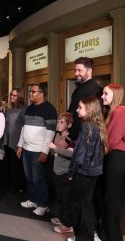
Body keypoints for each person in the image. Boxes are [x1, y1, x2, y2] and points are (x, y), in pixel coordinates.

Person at [68, 97, 107, 241]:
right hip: (94, 172)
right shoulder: (98, 125)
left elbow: (80, 153)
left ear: (89, 109)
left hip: (83, 171)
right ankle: (87, 236)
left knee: (77, 204)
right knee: (86, 204)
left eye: (80, 107)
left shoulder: (86, 126)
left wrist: (71, 171)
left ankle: (81, 236)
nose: (77, 110)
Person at [16, 84, 57, 216]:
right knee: (29, 177)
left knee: (38, 177)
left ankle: (43, 204)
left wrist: (45, 151)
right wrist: (20, 144)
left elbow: (51, 132)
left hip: (38, 150)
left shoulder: (49, 109)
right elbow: (24, 128)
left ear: (42, 93)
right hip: (27, 149)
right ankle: (33, 200)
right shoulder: (30, 108)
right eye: (30, 91)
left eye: (33, 92)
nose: (30, 94)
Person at [100, 84, 125, 241]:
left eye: (105, 94)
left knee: (112, 199)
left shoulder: (119, 111)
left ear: (115, 95)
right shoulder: (114, 112)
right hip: (115, 157)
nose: (102, 96)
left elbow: (112, 140)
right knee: (111, 198)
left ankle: (113, 236)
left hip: (116, 158)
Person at [48, 112, 74, 234]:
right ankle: (61, 218)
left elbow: (71, 154)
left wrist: (55, 148)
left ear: (69, 125)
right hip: (57, 172)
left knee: (65, 200)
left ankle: (67, 225)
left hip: (64, 173)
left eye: (61, 122)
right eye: (58, 121)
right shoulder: (58, 135)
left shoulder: (69, 139)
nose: (58, 124)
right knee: (59, 197)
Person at [67, 57, 102, 141]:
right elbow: (72, 110)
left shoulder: (95, 89)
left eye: (79, 70)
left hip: (84, 136)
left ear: (89, 71)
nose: (76, 73)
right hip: (74, 135)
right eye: (75, 70)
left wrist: (71, 137)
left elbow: (89, 116)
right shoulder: (78, 88)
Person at [3, 88, 26, 193]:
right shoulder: (10, 109)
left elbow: (25, 127)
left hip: (18, 143)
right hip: (8, 142)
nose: (12, 97)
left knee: (18, 166)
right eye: (11, 94)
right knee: (11, 166)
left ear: (20, 97)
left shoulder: (24, 109)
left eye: (15, 95)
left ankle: (20, 187)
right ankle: (14, 186)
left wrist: (21, 144)